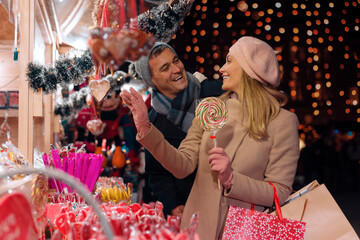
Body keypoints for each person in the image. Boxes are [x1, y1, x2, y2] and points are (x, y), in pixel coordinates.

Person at [121, 36, 300, 239]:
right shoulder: (211, 108)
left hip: (245, 230)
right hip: (198, 226)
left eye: (230, 61)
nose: (222, 69)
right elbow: (183, 165)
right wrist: (146, 127)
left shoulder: (283, 121)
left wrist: (232, 179)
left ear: (250, 69)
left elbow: (280, 190)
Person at [134, 42, 223, 218]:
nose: (176, 69)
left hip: (228, 201)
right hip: (192, 210)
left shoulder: (215, 93)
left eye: (176, 60)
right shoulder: (153, 122)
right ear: (152, 81)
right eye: (165, 68)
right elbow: (157, 173)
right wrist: (173, 204)